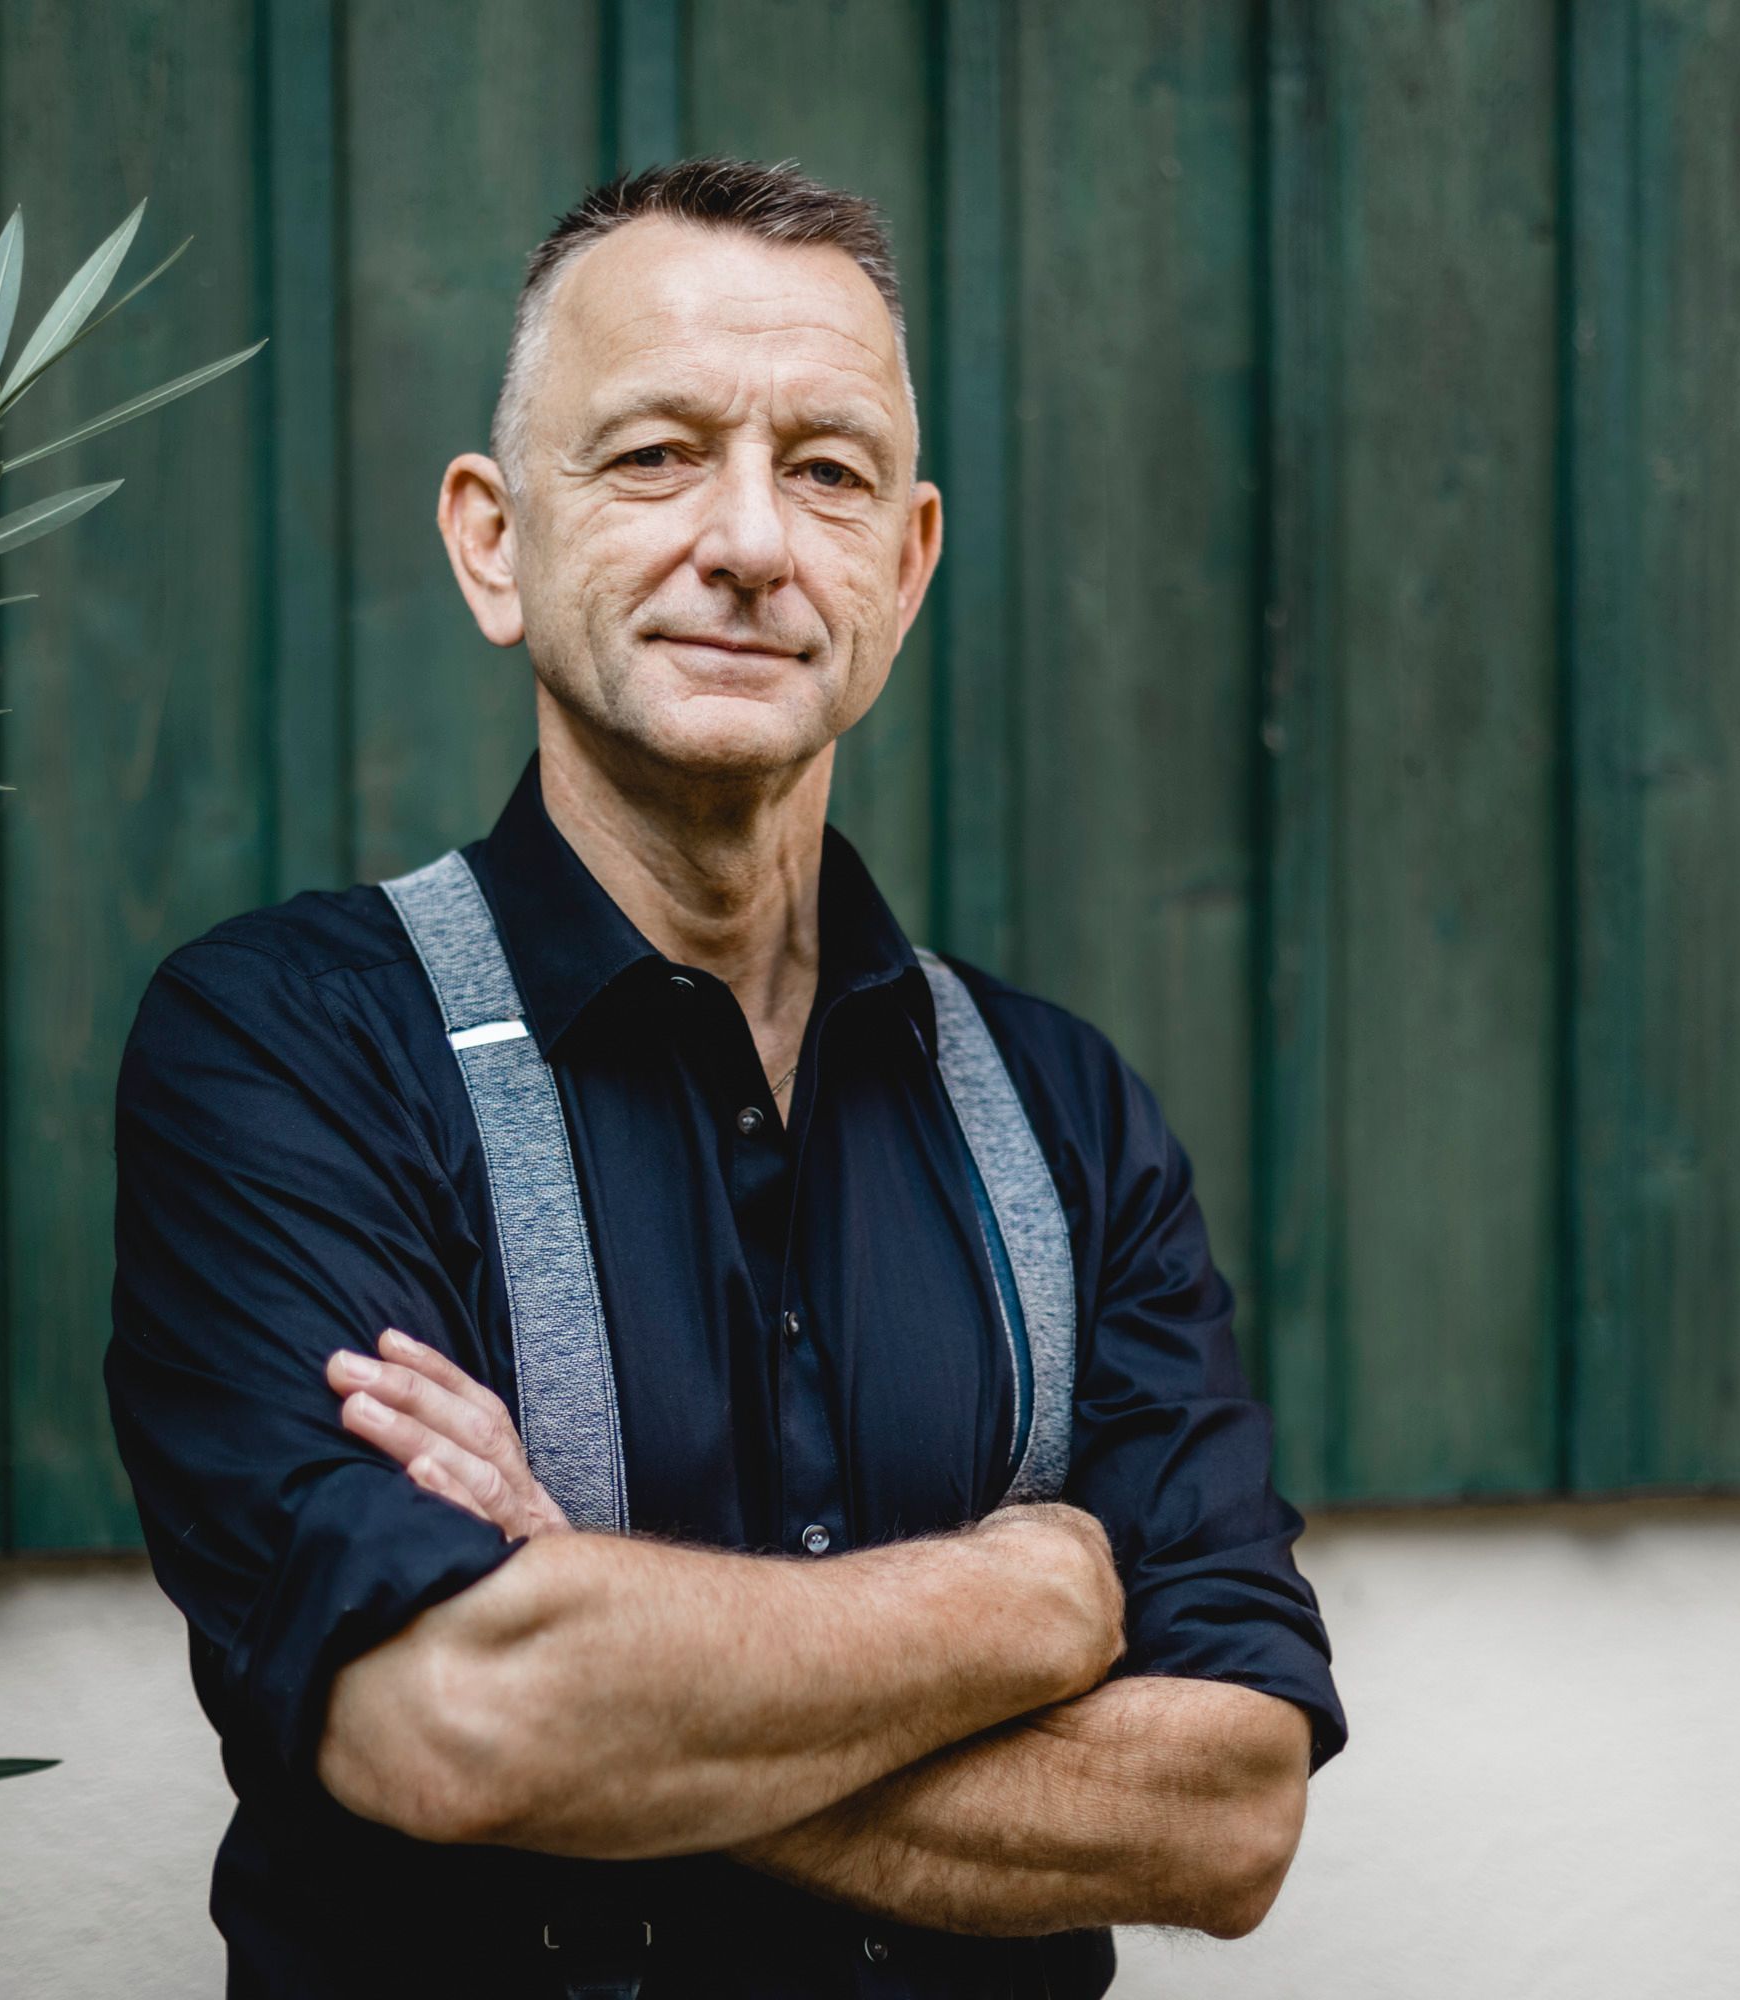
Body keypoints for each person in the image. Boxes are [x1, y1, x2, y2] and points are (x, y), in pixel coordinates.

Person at [107, 156, 1343, 1998]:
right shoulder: (291, 1050)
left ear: (906, 565)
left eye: (828, 472)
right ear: (494, 539)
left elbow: (1229, 1813)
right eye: (658, 455)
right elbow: (455, 1723)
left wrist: (606, 1648)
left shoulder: (1066, 1118)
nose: (753, 543)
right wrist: (1030, 1602)